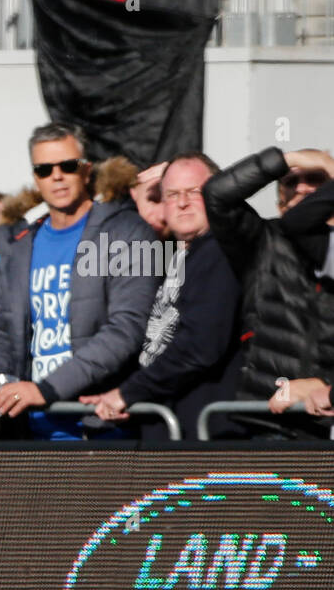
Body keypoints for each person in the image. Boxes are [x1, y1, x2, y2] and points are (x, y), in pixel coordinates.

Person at [0, 122, 159, 439]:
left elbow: (128, 328)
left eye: (67, 166)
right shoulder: (22, 246)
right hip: (32, 430)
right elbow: (3, 328)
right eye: (44, 169)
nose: (56, 176)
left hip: (101, 426)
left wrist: (46, 389)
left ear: (87, 171)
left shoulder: (130, 231)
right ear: (36, 178)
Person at [79, 153, 243, 440]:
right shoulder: (164, 257)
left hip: (206, 438)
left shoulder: (222, 250)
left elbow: (200, 346)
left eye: (195, 192)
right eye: (171, 194)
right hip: (162, 429)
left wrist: (127, 393)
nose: (182, 202)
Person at [203, 147, 334, 435]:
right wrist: (288, 160)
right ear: (279, 203)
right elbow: (216, 195)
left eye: (316, 179)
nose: (303, 187)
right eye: (290, 181)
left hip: (324, 418)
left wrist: (323, 386)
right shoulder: (263, 240)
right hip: (263, 419)